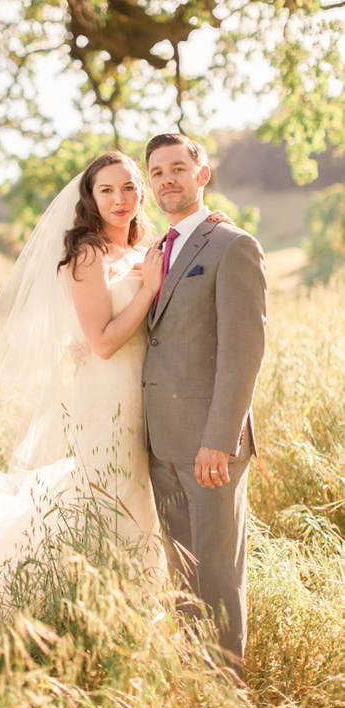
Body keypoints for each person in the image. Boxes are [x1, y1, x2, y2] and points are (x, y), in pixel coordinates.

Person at [0, 149, 232, 621]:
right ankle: (91, 599)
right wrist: (145, 290)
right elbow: (100, 342)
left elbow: (180, 262)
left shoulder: (146, 250)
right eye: (106, 190)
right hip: (105, 398)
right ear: (91, 198)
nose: (119, 198)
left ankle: (129, 601)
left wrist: (210, 224)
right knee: (109, 495)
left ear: (141, 193)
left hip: (146, 396)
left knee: (138, 495)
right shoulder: (87, 254)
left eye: (128, 187)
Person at [142, 133, 267, 676]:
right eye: (157, 172)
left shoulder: (232, 246)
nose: (167, 179)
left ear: (202, 174)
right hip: (161, 443)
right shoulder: (156, 250)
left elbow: (243, 354)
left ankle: (227, 694)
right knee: (182, 573)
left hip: (209, 444)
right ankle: (198, 685)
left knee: (217, 574)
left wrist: (220, 437)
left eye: (177, 168)